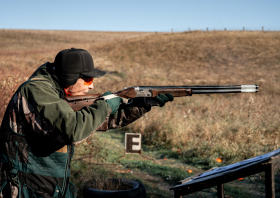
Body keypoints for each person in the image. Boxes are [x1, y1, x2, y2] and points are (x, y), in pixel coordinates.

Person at [0, 48, 173, 198]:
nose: (91, 86)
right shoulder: (37, 90)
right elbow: (74, 130)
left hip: (52, 186)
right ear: (70, 78)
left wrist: (143, 105)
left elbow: (99, 121)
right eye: (88, 80)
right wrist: (104, 105)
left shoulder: (57, 94)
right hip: (25, 187)